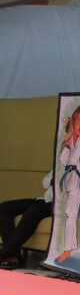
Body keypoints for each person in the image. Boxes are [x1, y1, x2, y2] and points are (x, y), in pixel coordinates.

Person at [0, 172, 54, 269]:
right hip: (42, 200)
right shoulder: (60, 165)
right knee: (3, 208)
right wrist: (53, 179)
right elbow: (45, 182)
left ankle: (2, 254)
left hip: (58, 205)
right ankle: (14, 257)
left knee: (33, 211)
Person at [56, 106, 80, 263]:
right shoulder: (70, 140)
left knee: (72, 213)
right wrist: (66, 146)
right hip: (71, 179)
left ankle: (69, 249)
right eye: (79, 121)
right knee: (70, 214)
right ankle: (69, 249)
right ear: (73, 122)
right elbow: (63, 161)